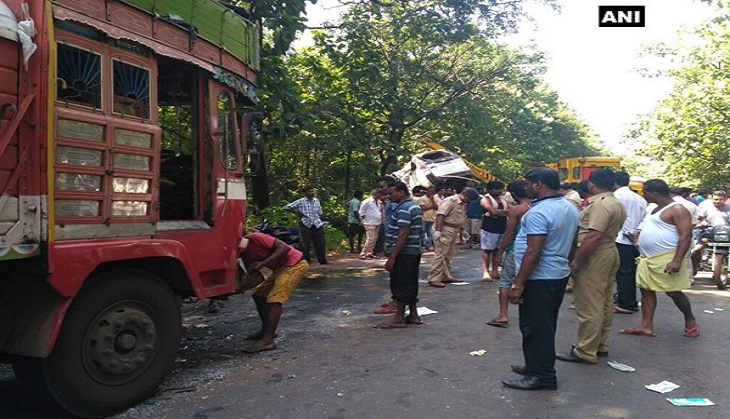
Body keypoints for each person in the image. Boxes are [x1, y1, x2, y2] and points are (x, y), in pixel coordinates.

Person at [501, 167, 579, 391]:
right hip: (557, 274)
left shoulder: (538, 213)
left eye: (528, 183)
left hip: (540, 278)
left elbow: (534, 251)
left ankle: (542, 375)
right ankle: (536, 365)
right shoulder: (569, 208)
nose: (525, 188)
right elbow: (572, 242)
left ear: (538, 185)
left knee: (535, 326)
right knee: (545, 324)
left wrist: (518, 284)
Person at [557, 169, 626, 365]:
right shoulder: (614, 202)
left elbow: (594, 235)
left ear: (591, 185)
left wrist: (576, 260)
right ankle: (599, 345)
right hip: (608, 251)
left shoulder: (601, 205)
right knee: (603, 302)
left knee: (589, 304)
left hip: (595, 255)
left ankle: (586, 350)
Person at [618, 179, 699, 338]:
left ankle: (690, 320)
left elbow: (686, 235)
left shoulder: (677, 209)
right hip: (648, 258)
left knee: (673, 291)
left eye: (645, 191)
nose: (643, 194)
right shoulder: (654, 209)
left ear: (654, 193)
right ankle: (646, 326)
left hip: (666, 257)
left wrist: (676, 260)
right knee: (646, 289)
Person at [238, 232, 309, 352]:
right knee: (259, 296)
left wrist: (262, 264)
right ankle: (266, 331)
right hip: (280, 269)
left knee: (274, 300)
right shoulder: (241, 253)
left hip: (294, 265)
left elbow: (284, 248)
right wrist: (242, 287)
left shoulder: (256, 238)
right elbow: (256, 275)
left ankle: (268, 341)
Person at [374, 181, 424, 329]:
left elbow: (403, 234)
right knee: (410, 282)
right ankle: (413, 314)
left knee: (401, 283)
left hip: (404, 252)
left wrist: (392, 256)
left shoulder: (404, 208)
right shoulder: (414, 206)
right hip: (413, 251)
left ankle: (398, 318)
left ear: (401, 193)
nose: (388, 196)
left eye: (391, 193)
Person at [487, 180, 530, 328]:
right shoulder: (538, 207)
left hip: (514, 249)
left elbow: (509, 233)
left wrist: (500, 252)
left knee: (505, 281)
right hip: (533, 250)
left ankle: (503, 315)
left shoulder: (517, 210)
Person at [427, 187, 481, 287]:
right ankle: (434, 278)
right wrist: (438, 231)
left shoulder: (462, 204)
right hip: (444, 229)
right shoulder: (450, 201)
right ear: (464, 196)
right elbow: (440, 216)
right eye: (469, 199)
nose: (469, 202)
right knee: (441, 254)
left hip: (453, 230)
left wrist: (462, 230)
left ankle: (445, 275)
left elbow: (457, 218)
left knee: (448, 254)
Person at [613, 172, 647, 314]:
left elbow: (623, 218)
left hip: (622, 238)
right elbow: (644, 218)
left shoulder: (617, 196)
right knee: (629, 272)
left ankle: (625, 302)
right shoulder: (639, 199)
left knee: (623, 272)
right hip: (633, 239)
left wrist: (629, 233)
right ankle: (628, 300)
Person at [284, 186, 328, 265]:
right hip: (305, 224)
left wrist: (323, 220)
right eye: (309, 191)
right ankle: (306, 261)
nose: (312, 193)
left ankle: (322, 260)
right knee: (305, 244)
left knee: (320, 242)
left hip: (317, 223)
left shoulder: (316, 201)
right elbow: (286, 207)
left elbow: (320, 212)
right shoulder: (301, 201)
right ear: (305, 193)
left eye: (312, 191)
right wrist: (298, 212)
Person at [480, 180, 509, 281]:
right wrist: (503, 212)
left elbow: (511, 210)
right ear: (489, 190)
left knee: (498, 250)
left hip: (502, 225)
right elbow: (493, 211)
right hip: (490, 226)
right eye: (496, 189)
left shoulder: (503, 199)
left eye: (500, 189)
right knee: (487, 250)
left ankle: (495, 270)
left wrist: (499, 212)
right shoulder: (485, 199)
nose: (499, 191)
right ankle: (486, 271)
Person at [359, 189, 384, 259]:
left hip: (377, 222)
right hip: (369, 222)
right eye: (379, 194)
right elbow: (361, 212)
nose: (380, 195)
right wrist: (362, 220)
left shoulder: (379, 202)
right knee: (371, 238)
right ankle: (363, 253)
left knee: (375, 238)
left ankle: (370, 252)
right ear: (375, 194)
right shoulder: (367, 202)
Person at [418, 185, 438, 252]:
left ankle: (429, 246)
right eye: (430, 191)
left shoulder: (435, 198)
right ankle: (422, 246)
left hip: (432, 218)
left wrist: (432, 201)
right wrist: (431, 206)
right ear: (427, 191)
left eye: (433, 192)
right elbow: (423, 208)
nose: (431, 193)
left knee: (430, 233)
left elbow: (437, 207)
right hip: (423, 218)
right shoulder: (422, 198)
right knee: (423, 233)